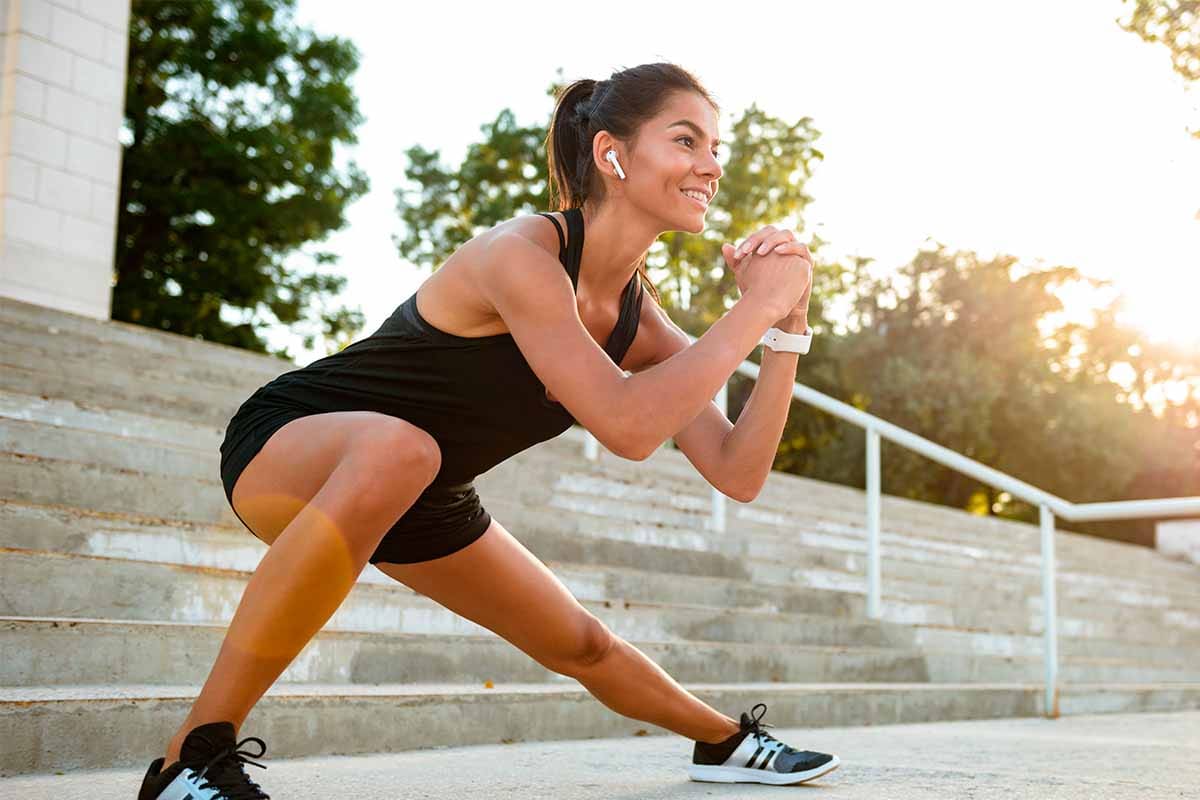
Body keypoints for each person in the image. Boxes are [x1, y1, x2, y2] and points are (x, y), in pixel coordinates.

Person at [138, 62, 838, 799]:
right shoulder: (522, 257)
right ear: (612, 153)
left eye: (717, 148)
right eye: (687, 140)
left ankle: (723, 743)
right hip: (292, 441)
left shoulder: (639, 322)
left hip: (420, 487)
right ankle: (190, 760)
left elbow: (739, 471)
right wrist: (751, 311)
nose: (711, 166)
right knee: (401, 447)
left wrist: (786, 334)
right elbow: (628, 427)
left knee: (581, 642)